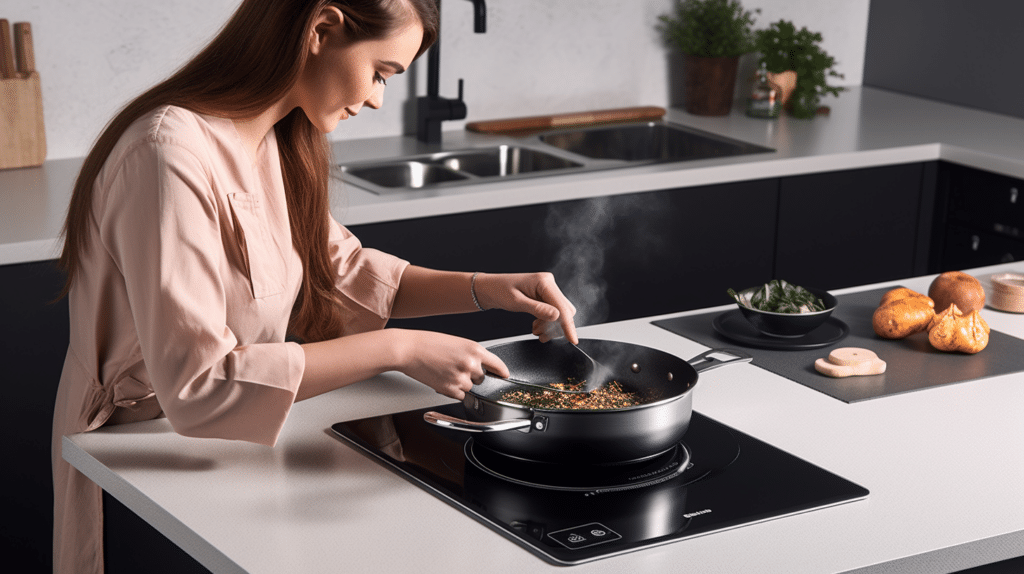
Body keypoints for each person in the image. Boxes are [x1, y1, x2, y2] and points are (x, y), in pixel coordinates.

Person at [50, 1, 578, 572]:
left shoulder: (275, 138)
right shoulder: (168, 154)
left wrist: (487, 288)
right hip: (137, 455)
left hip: (228, 450)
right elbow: (199, 387)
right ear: (321, 29)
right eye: (380, 73)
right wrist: (398, 348)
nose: (377, 98)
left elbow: (343, 276)